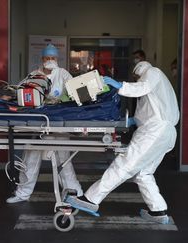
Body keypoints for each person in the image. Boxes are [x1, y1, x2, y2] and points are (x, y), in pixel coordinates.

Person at [66, 61, 179, 224]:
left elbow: (142, 87)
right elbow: (150, 108)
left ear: (140, 69)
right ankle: (158, 210)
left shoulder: (152, 72)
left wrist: (119, 85)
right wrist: (133, 120)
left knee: (124, 164)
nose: (136, 78)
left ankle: (91, 199)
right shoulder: (160, 85)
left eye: (136, 76)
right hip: (165, 133)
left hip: (154, 132)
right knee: (143, 173)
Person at [6, 44, 83, 203]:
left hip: (59, 124)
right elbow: (21, 90)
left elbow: (75, 91)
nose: (50, 61)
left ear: (57, 59)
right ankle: (22, 193)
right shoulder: (34, 74)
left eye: (53, 58)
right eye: (47, 58)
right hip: (38, 122)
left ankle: (75, 193)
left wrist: (63, 99)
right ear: (42, 59)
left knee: (63, 161)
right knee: (31, 158)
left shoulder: (63, 74)